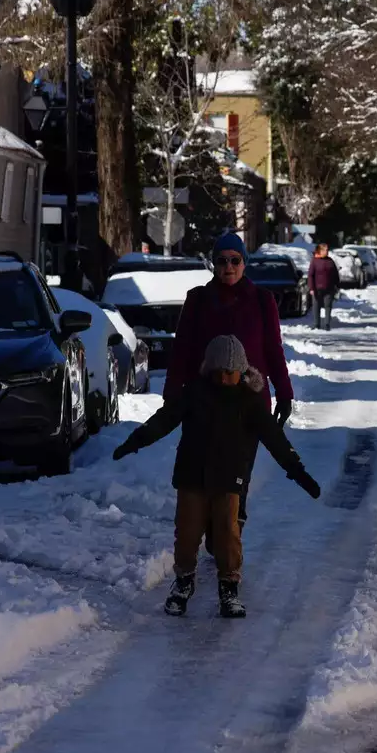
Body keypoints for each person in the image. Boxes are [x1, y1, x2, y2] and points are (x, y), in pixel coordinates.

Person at [113, 335, 320, 618]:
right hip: (191, 476)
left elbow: (275, 439)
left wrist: (297, 471)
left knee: (227, 533)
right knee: (186, 532)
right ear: (209, 369)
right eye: (219, 372)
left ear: (242, 372)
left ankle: (229, 586)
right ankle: (183, 581)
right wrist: (134, 442)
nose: (224, 378)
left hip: (229, 478)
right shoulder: (194, 393)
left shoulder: (249, 402)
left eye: (231, 373)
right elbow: (163, 421)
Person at [164, 232, 295, 537]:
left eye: (235, 260)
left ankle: (231, 527)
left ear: (244, 263)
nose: (228, 267)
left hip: (249, 404)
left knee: (238, 472)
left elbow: (273, 350)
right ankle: (216, 524)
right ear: (214, 264)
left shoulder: (262, 301)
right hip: (204, 403)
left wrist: (284, 394)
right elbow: (182, 350)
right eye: (221, 260)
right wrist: (172, 394)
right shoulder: (198, 300)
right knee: (204, 469)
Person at [308, 242, 340, 331]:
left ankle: (327, 324)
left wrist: (337, 285)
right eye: (325, 250)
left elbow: (335, 274)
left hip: (329, 288)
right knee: (316, 306)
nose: (327, 251)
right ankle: (316, 324)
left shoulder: (330, 261)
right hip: (317, 288)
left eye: (327, 250)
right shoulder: (314, 261)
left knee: (328, 306)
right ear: (320, 251)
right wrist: (311, 288)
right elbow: (310, 275)